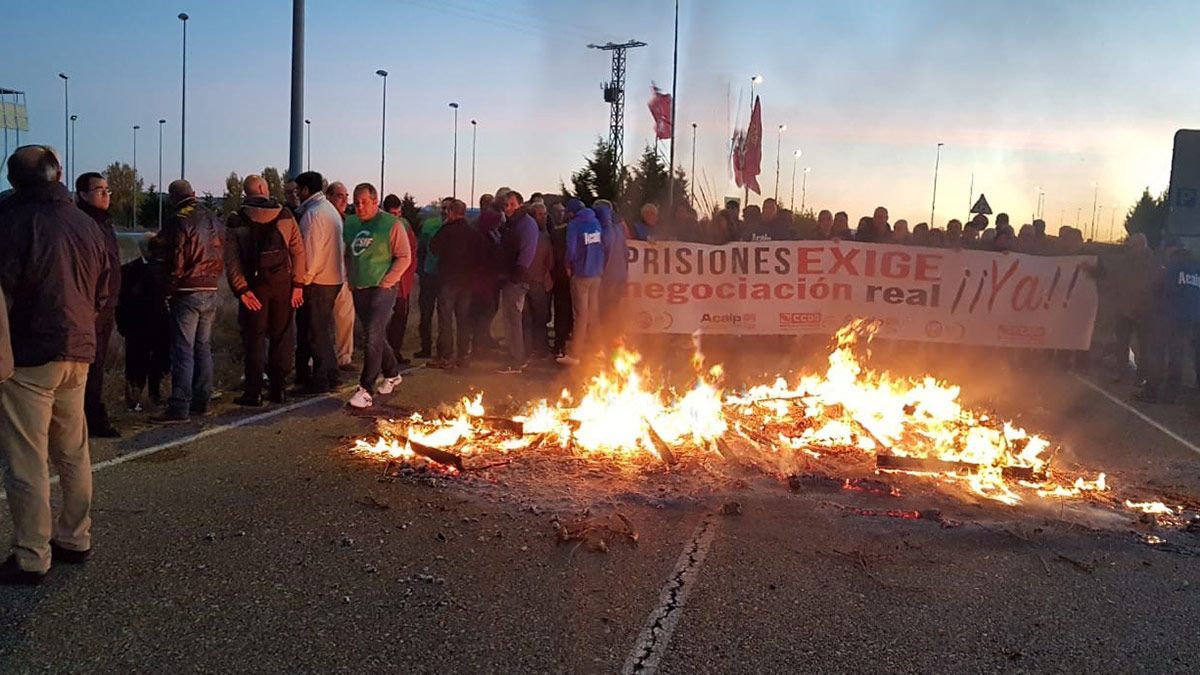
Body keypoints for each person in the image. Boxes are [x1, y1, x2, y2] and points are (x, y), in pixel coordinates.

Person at [0, 145, 111, 584]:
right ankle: (75, 536)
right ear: (58, 174)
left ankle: (31, 554)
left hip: (29, 355)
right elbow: (103, 290)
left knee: (26, 458)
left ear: (13, 181)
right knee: (73, 450)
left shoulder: (11, 222)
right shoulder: (86, 224)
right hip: (79, 349)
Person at [224, 175, 306, 406]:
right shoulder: (285, 215)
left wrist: (241, 290)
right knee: (282, 336)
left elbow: (231, 259)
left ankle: (253, 392)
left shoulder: (236, 219)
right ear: (262, 188)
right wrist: (298, 285)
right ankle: (279, 390)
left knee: (254, 339)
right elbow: (298, 252)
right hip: (282, 285)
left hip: (253, 287)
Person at [152, 179, 224, 423]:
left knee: (183, 349)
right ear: (193, 193)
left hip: (187, 290)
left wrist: (168, 288)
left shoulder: (178, 220)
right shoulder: (213, 217)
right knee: (203, 347)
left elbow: (176, 259)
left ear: (172, 198)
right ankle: (202, 402)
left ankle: (179, 407)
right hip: (210, 287)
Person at [343, 183, 411, 409]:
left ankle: (365, 389)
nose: (359, 206)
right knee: (376, 335)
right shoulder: (351, 224)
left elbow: (404, 256)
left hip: (383, 289)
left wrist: (387, 282)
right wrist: (351, 279)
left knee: (372, 334)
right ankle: (392, 373)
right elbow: (348, 253)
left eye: (364, 202)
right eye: (356, 202)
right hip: (359, 287)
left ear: (375, 201)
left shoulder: (391, 224)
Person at [74, 171, 122, 438]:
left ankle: (91, 415)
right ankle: (87, 418)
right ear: (83, 194)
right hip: (90, 307)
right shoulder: (84, 224)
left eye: (107, 189)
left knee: (98, 364)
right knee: (86, 365)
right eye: (99, 190)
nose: (106, 194)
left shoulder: (105, 223)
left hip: (107, 305)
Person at [294, 171, 346, 395]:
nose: (296, 195)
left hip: (318, 280)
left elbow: (311, 253)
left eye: (298, 190)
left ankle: (320, 379)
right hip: (332, 277)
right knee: (322, 330)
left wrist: (302, 281)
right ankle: (331, 374)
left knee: (315, 332)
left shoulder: (313, 214)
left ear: (306, 190)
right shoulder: (329, 211)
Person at [1093, 233, 1157, 384]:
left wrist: (1145, 305)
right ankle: (1122, 373)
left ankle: (1143, 375)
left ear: (1143, 246)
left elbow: (1154, 288)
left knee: (1144, 346)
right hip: (1123, 310)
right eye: (1131, 245)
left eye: (1135, 245)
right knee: (1122, 343)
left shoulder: (1152, 263)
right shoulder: (1123, 262)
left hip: (1143, 312)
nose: (1132, 248)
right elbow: (1113, 282)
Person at [117, 235, 171, 412]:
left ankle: (149, 396)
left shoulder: (129, 270)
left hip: (151, 325)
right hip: (139, 325)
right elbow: (121, 300)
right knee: (136, 364)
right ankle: (137, 398)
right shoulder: (131, 271)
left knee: (155, 362)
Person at [430, 199, 484, 368]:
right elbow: (480, 256)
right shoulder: (472, 232)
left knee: (445, 320)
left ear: (451, 213)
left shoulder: (446, 230)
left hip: (448, 280)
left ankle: (445, 356)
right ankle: (463, 355)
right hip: (467, 281)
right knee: (463, 319)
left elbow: (433, 247)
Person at [557, 199, 605, 366]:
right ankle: (598, 351)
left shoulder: (575, 225)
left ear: (571, 212)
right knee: (594, 313)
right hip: (596, 273)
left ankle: (575, 354)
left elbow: (571, 249)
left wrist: (567, 265)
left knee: (581, 315)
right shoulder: (596, 222)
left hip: (581, 273)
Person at [497, 191, 538, 374]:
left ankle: (516, 360)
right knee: (510, 318)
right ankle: (516, 355)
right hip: (509, 276)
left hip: (517, 278)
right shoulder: (511, 224)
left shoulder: (526, 224)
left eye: (512, 204)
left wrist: (518, 273)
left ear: (520, 204)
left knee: (513, 318)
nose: (508, 208)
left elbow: (528, 250)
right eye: (506, 205)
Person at [382, 194, 418, 367]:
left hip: (402, 282)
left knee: (399, 320)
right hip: (386, 282)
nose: (395, 217)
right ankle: (385, 354)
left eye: (397, 214)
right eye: (392, 214)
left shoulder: (404, 226)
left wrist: (407, 278)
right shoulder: (380, 227)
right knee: (384, 321)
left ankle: (394, 352)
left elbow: (411, 253)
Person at [326, 182, 356, 372]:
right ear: (328, 196)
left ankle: (344, 357)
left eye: (346, 196)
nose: (344, 200)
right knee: (322, 321)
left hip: (345, 276)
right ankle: (322, 358)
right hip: (325, 277)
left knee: (346, 318)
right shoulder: (324, 217)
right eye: (339, 195)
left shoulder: (349, 222)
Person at [414, 199, 448, 360]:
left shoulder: (453, 227)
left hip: (445, 277)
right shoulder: (429, 224)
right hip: (428, 274)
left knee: (444, 314)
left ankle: (443, 349)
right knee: (426, 313)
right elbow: (420, 249)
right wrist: (420, 270)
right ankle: (425, 347)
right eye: (444, 208)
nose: (446, 211)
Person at [525, 201, 555, 359]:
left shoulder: (524, 233)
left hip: (529, 280)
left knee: (530, 317)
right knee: (539, 316)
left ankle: (529, 347)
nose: (544, 218)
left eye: (545, 214)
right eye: (540, 215)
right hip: (536, 281)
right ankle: (540, 347)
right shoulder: (543, 237)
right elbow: (550, 261)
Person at [594, 199, 629, 320]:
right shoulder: (619, 228)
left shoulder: (601, 228)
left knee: (602, 308)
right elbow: (626, 251)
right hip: (621, 274)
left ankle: (603, 336)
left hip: (606, 275)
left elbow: (603, 246)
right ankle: (613, 334)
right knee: (614, 308)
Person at [548, 202, 573, 358]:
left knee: (562, 312)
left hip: (562, 276)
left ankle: (560, 344)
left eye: (563, 211)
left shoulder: (557, 233)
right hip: (569, 277)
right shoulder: (558, 233)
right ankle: (563, 344)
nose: (561, 214)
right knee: (568, 312)